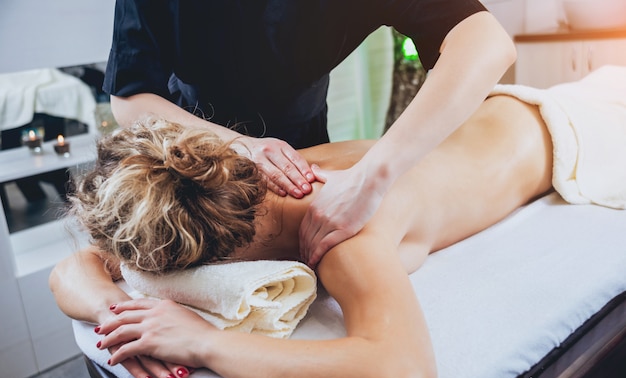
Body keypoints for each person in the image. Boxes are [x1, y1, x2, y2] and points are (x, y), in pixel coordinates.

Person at [50, 84, 562, 378]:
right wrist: (113, 310)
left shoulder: (344, 235)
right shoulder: (225, 185)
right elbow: (74, 268)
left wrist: (204, 341)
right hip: (493, 114)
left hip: (563, 131)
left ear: (210, 264)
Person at [103, 0, 517, 266]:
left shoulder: (324, 196)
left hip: (306, 145)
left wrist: (374, 176)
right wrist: (238, 146)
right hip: (186, 151)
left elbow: (486, 42)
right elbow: (131, 97)